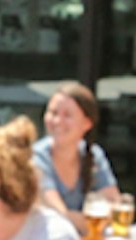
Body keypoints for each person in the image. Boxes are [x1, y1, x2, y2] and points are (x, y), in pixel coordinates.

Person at [32, 82, 118, 217]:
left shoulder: (94, 155)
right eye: (53, 113)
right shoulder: (36, 157)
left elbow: (113, 206)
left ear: (87, 123)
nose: (57, 121)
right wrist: (91, 221)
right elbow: (57, 216)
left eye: (67, 115)